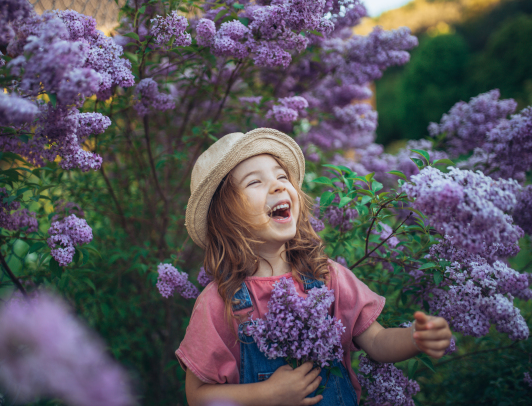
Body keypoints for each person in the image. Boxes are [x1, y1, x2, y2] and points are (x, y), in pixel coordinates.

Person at [177, 128, 452, 406]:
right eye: (254, 182)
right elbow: (198, 395)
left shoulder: (326, 276)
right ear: (225, 217)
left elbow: (378, 341)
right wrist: (265, 395)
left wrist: (415, 338)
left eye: (282, 176)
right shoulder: (220, 302)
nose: (278, 185)